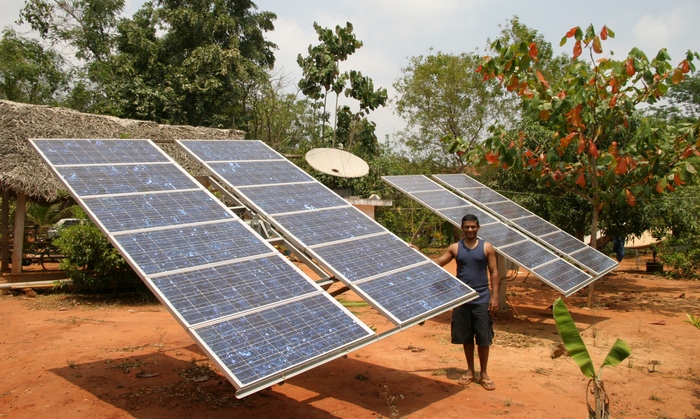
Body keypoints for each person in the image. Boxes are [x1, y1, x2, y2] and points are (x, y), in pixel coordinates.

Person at [434, 213, 499, 390]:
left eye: (473, 227)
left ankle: (484, 373)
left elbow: (494, 272)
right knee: (466, 337)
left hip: (482, 298)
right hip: (461, 298)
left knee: (484, 338)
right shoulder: (455, 248)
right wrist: (417, 255)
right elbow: (439, 262)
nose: (470, 230)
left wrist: (495, 297)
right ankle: (470, 370)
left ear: (478, 228)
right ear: (461, 228)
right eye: (466, 227)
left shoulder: (487, 247)